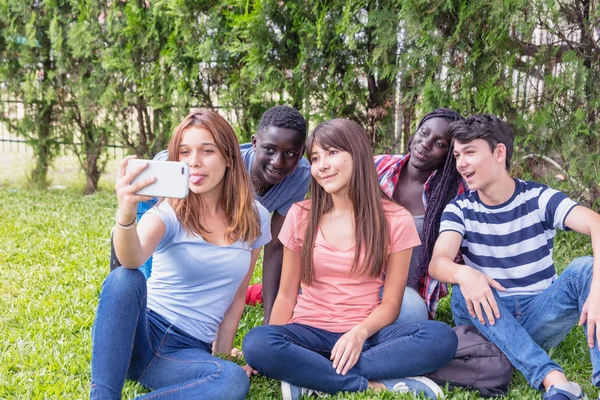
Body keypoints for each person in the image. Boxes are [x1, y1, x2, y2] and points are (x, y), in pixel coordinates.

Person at [242, 119, 458, 400]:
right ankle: (368, 384)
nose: (322, 165)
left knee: (441, 337)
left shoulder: (395, 219)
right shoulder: (301, 214)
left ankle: (309, 375)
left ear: (357, 154)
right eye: (316, 158)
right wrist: (260, 354)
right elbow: (285, 296)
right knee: (257, 343)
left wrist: (358, 334)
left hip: (367, 337)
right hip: (308, 333)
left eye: (332, 153)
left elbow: (392, 304)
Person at [91, 109, 272, 399]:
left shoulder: (254, 217)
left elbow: (238, 296)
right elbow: (132, 258)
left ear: (229, 157)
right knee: (125, 279)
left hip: (186, 352)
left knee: (232, 380)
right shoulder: (170, 211)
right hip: (140, 336)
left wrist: (222, 354)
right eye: (184, 152)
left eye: (207, 150)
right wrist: (125, 211)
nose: (194, 162)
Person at [429, 114, 600, 400]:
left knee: (587, 268)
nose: (461, 163)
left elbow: (596, 223)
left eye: (470, 152)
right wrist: (464, 273)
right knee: (462, 290)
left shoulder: (538, 197)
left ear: (499, 152)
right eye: (458, 155)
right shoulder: (459, 209)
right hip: (487, 317)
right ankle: (555, 380)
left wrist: (596, 290)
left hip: (540, 314)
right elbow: (438, 262)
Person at [117, 105, 310, 324]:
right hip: (166, 195)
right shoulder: (229, 168)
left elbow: (275, 244)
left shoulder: (300, 175)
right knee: (144, 274)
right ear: (255, 144)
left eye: (290, 154)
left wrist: (269, 323)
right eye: (270, 150)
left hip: (215, 214)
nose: (278, 162)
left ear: (301, 153)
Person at [375, 108, 465, 323]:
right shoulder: (377, 167)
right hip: (356, 284)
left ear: (450, 155)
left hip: (403, 297)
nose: (426, 143)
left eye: (440, 143)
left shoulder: (454, 195)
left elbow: (461, 257)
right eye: (424, 133)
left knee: (411, 313)